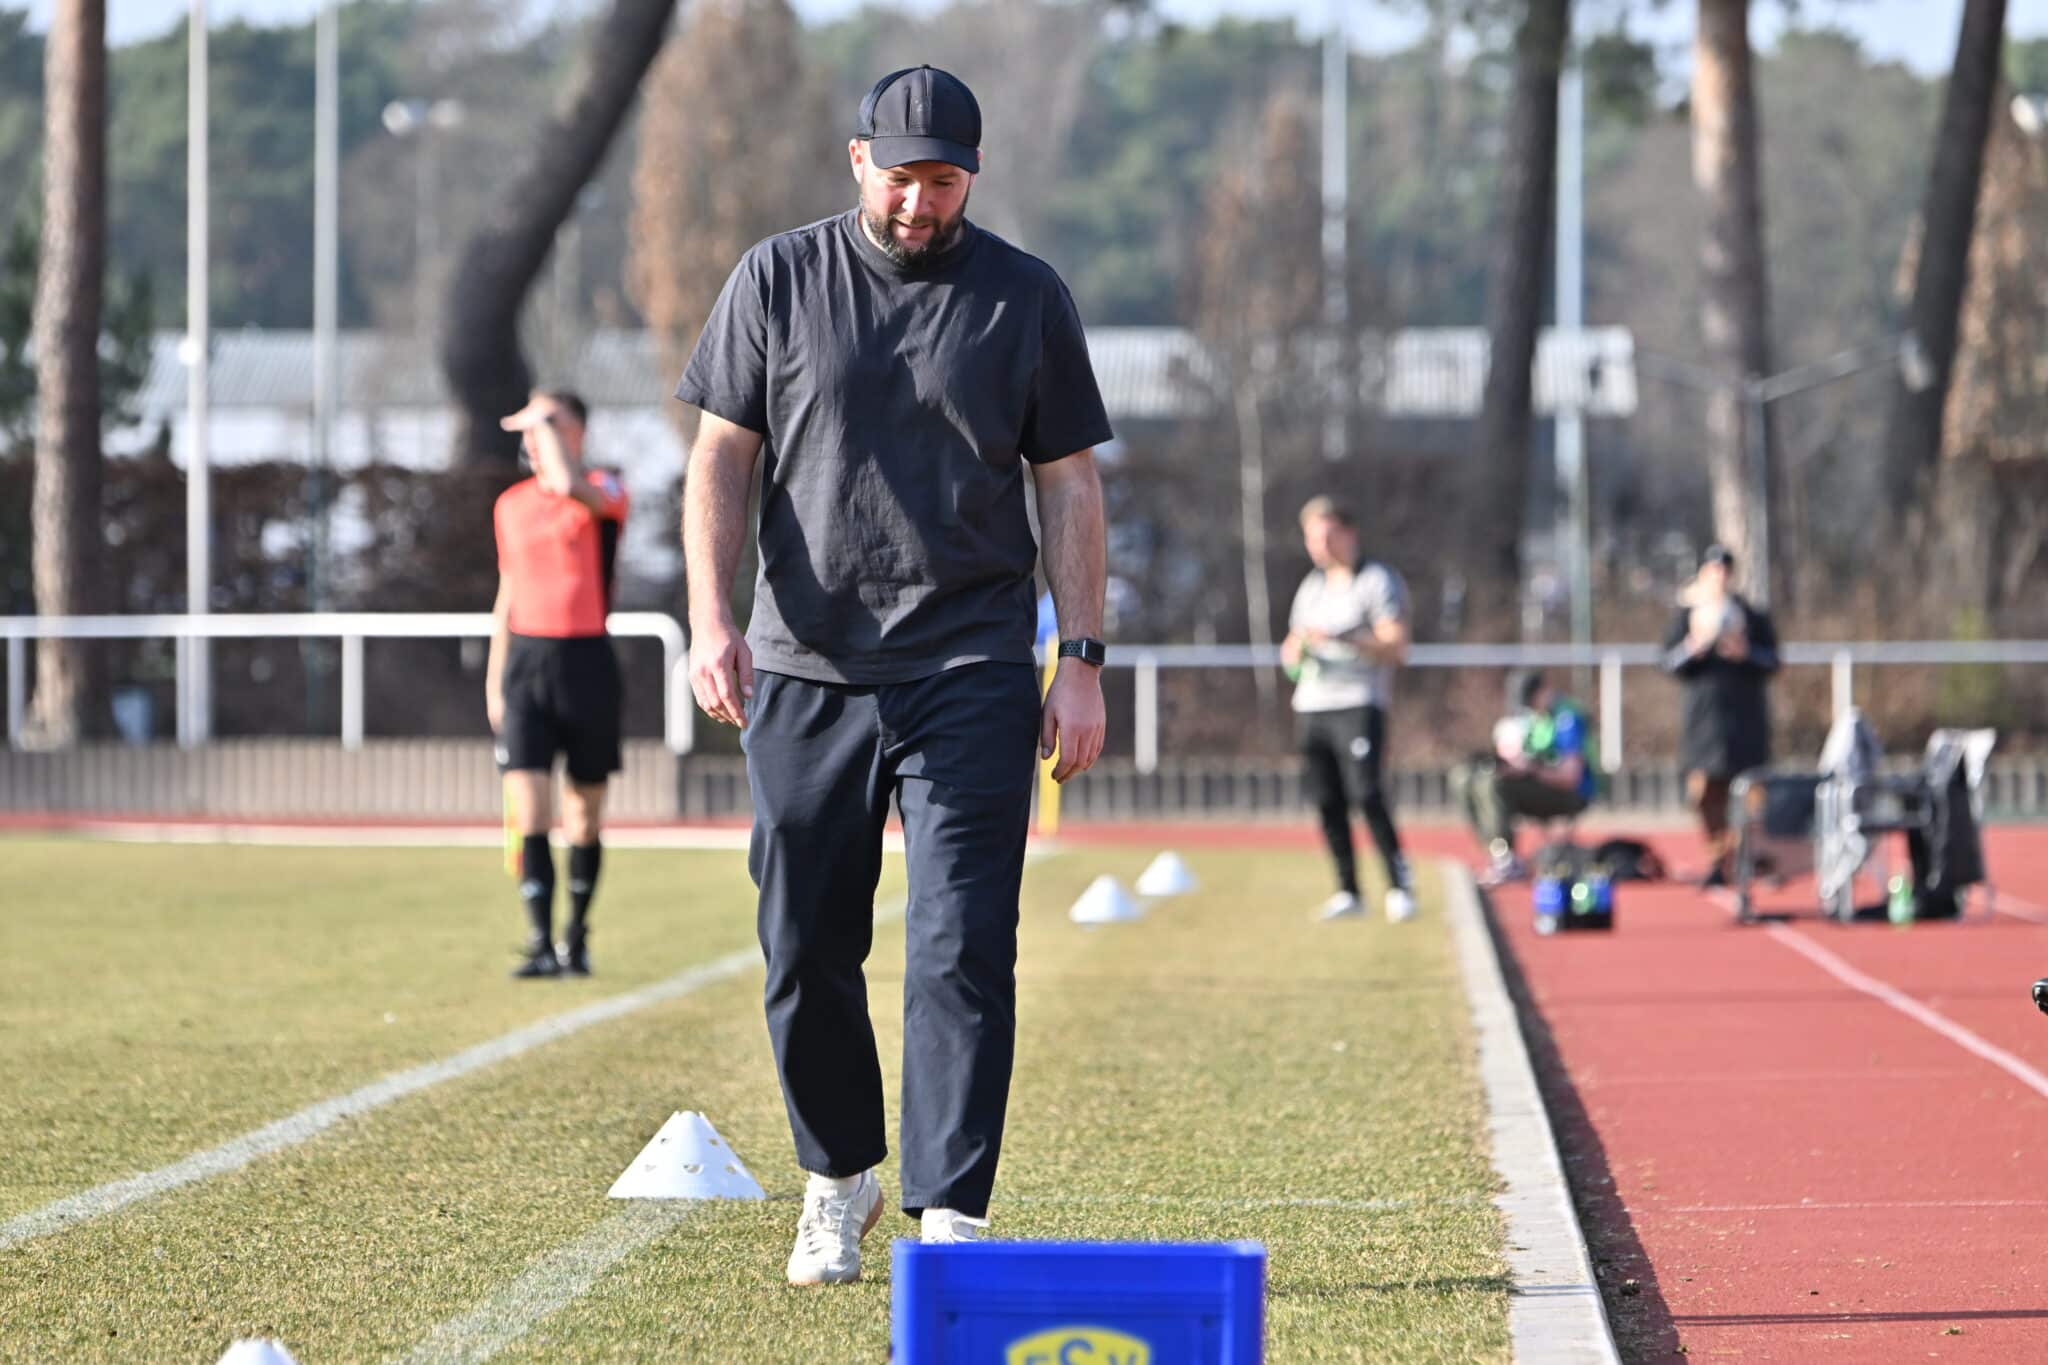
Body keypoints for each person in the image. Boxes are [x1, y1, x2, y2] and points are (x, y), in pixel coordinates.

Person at [676, 64, 1110, 1284]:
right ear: (858, 159)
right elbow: (721, 459)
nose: (920, 204)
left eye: (945, 181)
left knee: (961, 941)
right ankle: (838, 1177)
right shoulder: (777, 278)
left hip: (971, 660)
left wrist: (1077, 659)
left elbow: (1068, 480)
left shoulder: (1024, 297)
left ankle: (950, 1218)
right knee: (803, 938)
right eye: (902, 176)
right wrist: (712, 616)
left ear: (972, 175)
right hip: (803, 666)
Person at [486, 390, 629, 979]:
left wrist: (546, 426)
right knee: (530, 807)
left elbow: (573, 488)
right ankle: (541, 941)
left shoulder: (605, 491)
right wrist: (496, 680)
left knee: (584, 815)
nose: (533, 435)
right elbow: (507, 595)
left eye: (549, 422)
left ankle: (577, 937)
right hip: (527, 664)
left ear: (576, 430)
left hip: (586, 662)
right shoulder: (510, 506)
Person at [1280, 496, 1416, 923]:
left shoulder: (1376, 581)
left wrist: (1344, 640)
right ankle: (1348, 890)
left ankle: (1398, 884)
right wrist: (1295, 653)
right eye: (1310, 538)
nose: (1318, 546)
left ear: (1347, 532)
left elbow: (1396, 646)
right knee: (1327, 799)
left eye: (1325, 535)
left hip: (1358, 701)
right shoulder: (1311, 587)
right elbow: (1291, 644)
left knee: (1367, 793)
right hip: (1313, 703)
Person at [1661, 544, 1779, 886]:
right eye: (1714, 570)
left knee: (1754, 798)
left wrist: (1746, 653)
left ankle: (1749, 857)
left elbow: (1773, 661)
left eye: (1726, 570)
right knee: (1704, 797)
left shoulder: (1752, 616)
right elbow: (1668, 662)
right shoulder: (1687, 616)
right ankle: (1719, 860)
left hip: (1745, 725)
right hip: (1704, 727)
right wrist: (1693, 648)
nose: (1720, 576)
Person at [1453, 670, 1597, 886]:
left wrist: (1531, 769)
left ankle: (1506, 860)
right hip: (1539, 784)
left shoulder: (1566, 718)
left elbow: (1570, 776)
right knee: (1465, 779)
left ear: (1543, 692)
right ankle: (1498, 852)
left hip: (1569, 793)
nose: (1528, 709)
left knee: (1495, 786)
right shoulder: (1533, 719)